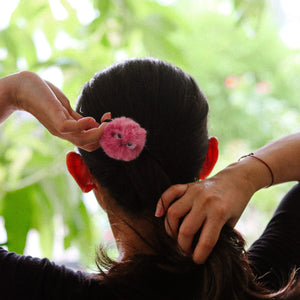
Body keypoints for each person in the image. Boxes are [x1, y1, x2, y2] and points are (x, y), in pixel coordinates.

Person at [0, 58, 298, 299]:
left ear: (81, 173)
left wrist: (14, 92)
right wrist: (246, 175)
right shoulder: (272, 280)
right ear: (209, 158)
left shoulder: (36, 289)